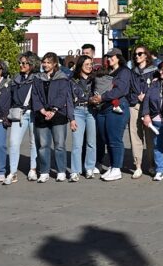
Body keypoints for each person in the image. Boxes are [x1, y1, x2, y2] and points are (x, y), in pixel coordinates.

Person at [32, 52, 75, 183]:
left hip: (58, 114)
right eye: (44, 62)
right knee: (43, 145)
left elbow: (63, 95)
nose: (45, 65)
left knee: (59, 145)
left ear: (55, 64)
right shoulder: (38, 78)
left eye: (48, 62)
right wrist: (42, 110)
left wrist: (53, 110)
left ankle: (61, 171)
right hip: (42, 115)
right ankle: (44, 171)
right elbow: (35, 95)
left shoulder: (62, 78)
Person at [91, 48, 132, 181]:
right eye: (107, 57)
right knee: (106, 138)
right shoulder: (108, 71)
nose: (109, 59)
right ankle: (113, 165)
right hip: (103, 108)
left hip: (116, 107)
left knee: (115, 139)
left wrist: (102, 97)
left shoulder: (124, 71)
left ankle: (116, 168)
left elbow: (121, 90)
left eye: (112, 56)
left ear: (119, 57)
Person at [6, 52, 40, 184]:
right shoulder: (16, 79)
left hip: (35, 113)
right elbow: (10, 96)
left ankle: (33, 169)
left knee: (34, 142)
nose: (21, 65)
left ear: (32, 64)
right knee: (13, 142)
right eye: (20, 63)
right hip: (19, 114)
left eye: (24, 63)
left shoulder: (38, 78)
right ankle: (12, 172)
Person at [68, 55, 98, 181]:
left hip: (91, 111)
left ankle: (89, 168)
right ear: (80, 65)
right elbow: (69, 100)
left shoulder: (95, 79)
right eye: (87, 64)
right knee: (77, 144)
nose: (89, 67)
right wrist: (71, 118)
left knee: (91, 143)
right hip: (78, 111)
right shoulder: (72, 80)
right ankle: (75, 171)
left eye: (91, 64)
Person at [129, 46, 156, 179]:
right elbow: (128, 90)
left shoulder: (154, 71)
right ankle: (138, 166)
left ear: (146, 55)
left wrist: (147, 96)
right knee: (135, 136)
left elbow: (156, 88)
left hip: (149, 107)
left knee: (150, 138)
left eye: (140, 54)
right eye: (135, 54)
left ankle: (152, 165)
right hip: (135, 105)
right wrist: (136, 97)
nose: (137, 56)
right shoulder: (132, 72)